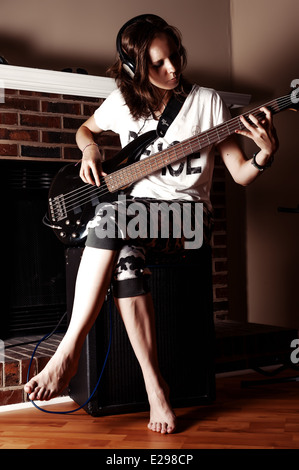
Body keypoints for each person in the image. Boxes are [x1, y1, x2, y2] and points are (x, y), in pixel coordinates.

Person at [24, 14, 278, 434]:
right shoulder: (124, 101)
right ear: (134, 69)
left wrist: (264, 154)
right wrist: (90, 152)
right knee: (123, 257)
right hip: (132, 220)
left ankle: (67, 352)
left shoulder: (207, 102)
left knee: (110, 219)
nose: (173, 69)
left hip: (188, 221)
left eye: (175, 57)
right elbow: (86, 129)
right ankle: (154, 386)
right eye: (158, 64)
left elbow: (240, 173)